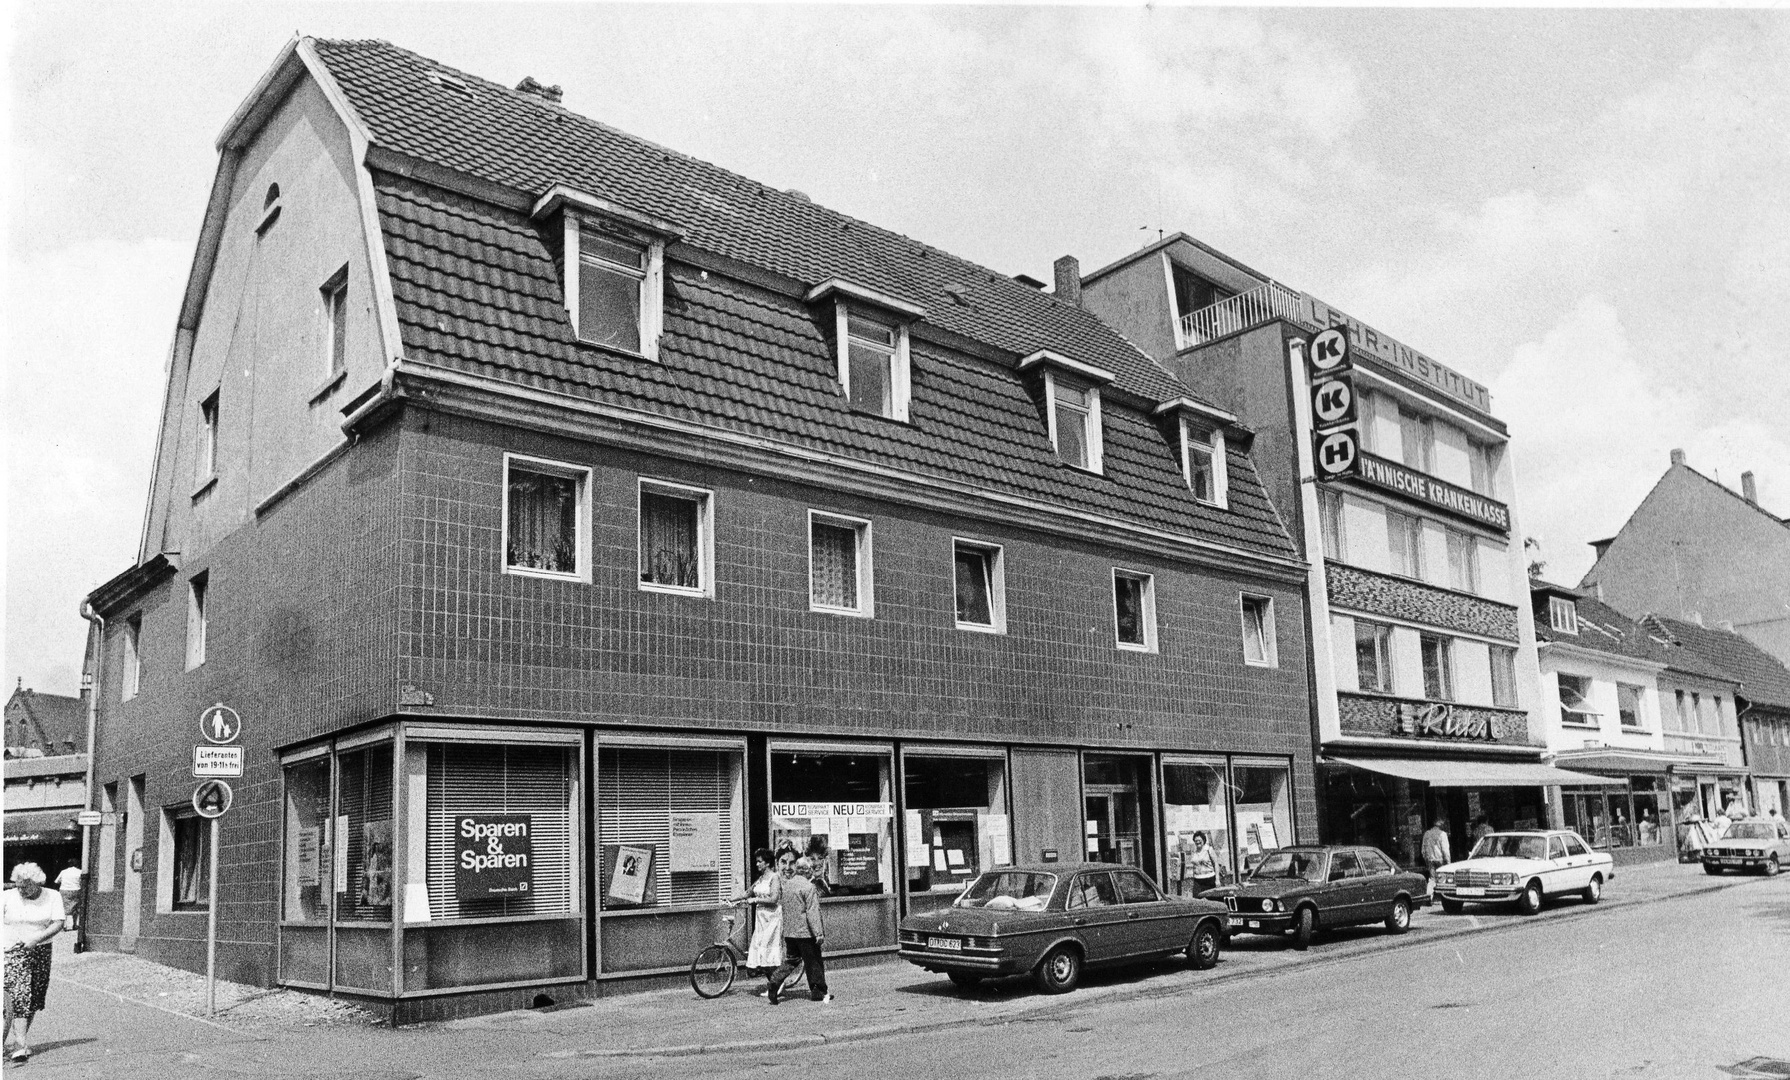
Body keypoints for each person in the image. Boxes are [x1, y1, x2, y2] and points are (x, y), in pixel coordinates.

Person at [4, 863, 66, 1064]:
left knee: (34, 997)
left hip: (40, 950)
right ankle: (20, 1045)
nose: (21, 890)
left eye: (26, 886)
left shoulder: (52, 896)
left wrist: (37, 939)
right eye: (19, 885)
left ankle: (17, 1041)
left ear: (38, 883)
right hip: (13, 949)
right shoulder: (7, 896)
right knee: (20, 995)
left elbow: (58, 922)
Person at [767, 856, 830, 1005]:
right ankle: (818, 991)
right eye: (811, 870)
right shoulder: (809, 887)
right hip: (805, 933)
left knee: (791, 961)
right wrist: (818, 933)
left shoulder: (787, 885)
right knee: (813, 961)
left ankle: (775, 980)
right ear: (807, 871)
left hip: (790, 933)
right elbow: (812, 912)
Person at [730, 848, 783, 986]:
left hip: (771, 918)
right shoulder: (760, 879)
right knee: (760, 950)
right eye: (757, 862)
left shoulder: (774, 877)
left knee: (767, 951)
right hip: (761, 919)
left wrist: (756, 900)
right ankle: (774, 982)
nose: (757, 864)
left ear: (767, 863)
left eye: (760, 862)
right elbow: (748, 892)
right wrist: (732, 899)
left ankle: (777, 983)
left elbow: (774, 898)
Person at [1421, 819, 1451, 893]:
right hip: (1440, 860)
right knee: (1442, 878)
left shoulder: (1426, 834)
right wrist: (1448, 862)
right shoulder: (1443, 834)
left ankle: (1429, 895)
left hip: (1430, 859)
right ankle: (1443, 895)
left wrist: (1426, 859)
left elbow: (1423, 850)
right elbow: (1445, 850)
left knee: (1432, 879)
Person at [54, 863, 83, 932]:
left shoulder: (63, 871)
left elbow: (57, 881)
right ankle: (75, 924)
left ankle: (64, 925)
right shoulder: (80, 871)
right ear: (77, 865)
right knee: (76, 908)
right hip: (76, 890)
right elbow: (82, 882)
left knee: (64, 908)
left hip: (64, 890)